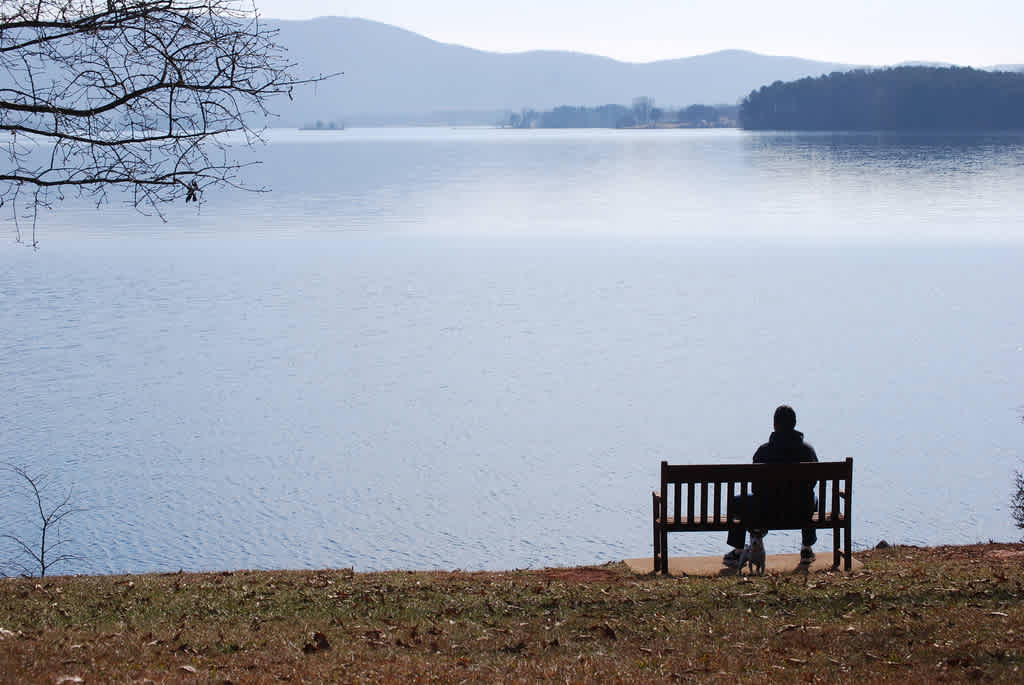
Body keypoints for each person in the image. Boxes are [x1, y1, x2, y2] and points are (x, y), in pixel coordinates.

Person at [722, 405, 819, 568]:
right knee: (812, 498)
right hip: (799, 511)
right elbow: (813, 482)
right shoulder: (807, 451)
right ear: (794, 424)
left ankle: (738, 551)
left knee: (736, 501)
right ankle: (807, 548)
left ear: (774, 425)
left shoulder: (764, 451)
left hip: (766, 511)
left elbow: (755, 488)